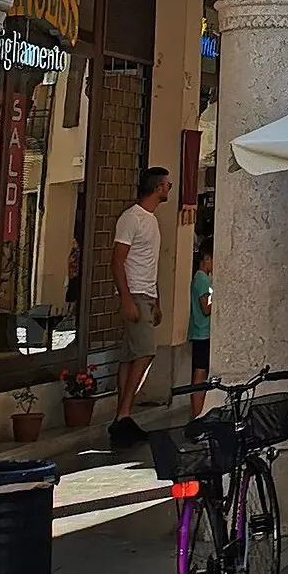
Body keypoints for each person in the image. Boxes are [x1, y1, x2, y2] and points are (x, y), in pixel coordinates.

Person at [110, 164, 170, 444]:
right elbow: (118, 260)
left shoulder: (152, 220)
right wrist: (126, 299)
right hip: (134, 294)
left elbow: (150, 264)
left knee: (130, 356)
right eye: (166, 185)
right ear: (157, 187)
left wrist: (156, 300)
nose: (169, 188)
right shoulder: (131, 218)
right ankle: (124, 412)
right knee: (146, 352)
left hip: (146, 294)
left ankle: (121, 418)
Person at [187, 238, 214, 419]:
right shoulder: (202, 280)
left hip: (202, 332)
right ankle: (197, 414)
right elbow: (205, 308)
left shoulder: (200, 279)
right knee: (200, 373)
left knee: (201, 373)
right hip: (202, 332)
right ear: (206, 258)